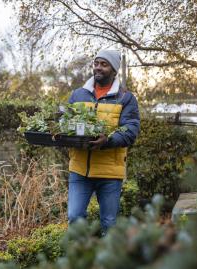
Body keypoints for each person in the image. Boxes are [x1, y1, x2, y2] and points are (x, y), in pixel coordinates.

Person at [67, 49, 140, 233]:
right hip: (80, 170)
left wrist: (107, 140)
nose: (98, 67)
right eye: (96, 63)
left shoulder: (125, 98)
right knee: (74, 217)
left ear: (114, 70)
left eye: (104, 64)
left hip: (109, 172)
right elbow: (66, 122)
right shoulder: (78, 95)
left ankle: (108, 261)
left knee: (109, 223)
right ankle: (81, 258)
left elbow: (130, 131)